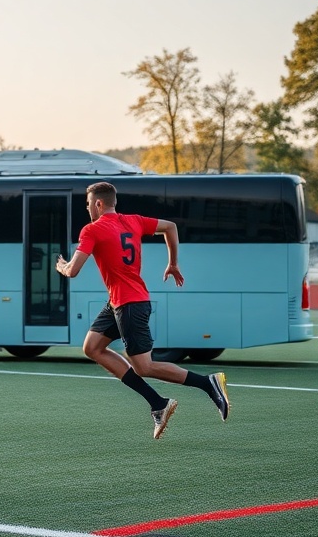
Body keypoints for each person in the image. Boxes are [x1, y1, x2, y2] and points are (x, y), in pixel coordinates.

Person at [55, 181, 230, 439]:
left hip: (129, 304)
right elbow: (170, 227)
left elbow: (73, 270)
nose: (88, 208)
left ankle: (207, 383)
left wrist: (61, 266)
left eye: (88, 204)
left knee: (144, 367)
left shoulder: (92, 229)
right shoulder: (134, 221)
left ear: (99, 204)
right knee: (92, 347)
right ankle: (158, 403)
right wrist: (173, 263)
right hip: (119, 302)